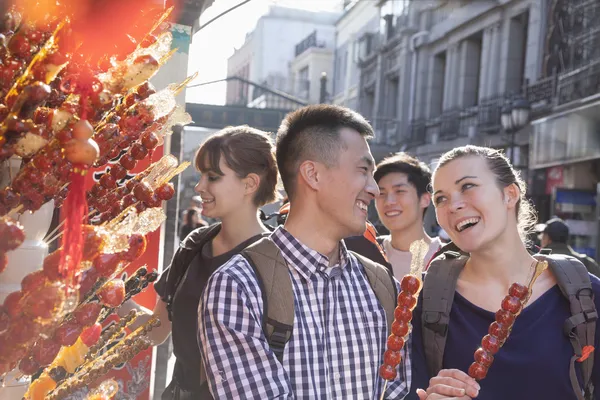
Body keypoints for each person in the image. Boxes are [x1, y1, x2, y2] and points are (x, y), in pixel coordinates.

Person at [198, 104, 411, 399]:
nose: (374, 189)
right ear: (312, 174)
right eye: (363, 170)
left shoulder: (382, 285)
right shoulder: (238, 286)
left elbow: (398, 390)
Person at [408, 145, 600, 400]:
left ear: (510, 194)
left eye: (467, 186)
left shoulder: (586, 297)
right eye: (440, 198)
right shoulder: (423, 302)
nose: (452, 205)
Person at [120, 125, 279, 399]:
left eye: (213, 177)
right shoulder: (194, 245)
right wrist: (116, 297)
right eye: (201, 175)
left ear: (250, 183)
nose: (199, 186)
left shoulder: (278, 260)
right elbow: (157, 331)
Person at [374, 153, 442, 277]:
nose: (389, 201)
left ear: (425, 199)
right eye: (381, 193)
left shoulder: (448, 259)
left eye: (399, 191)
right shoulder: (367, 253)